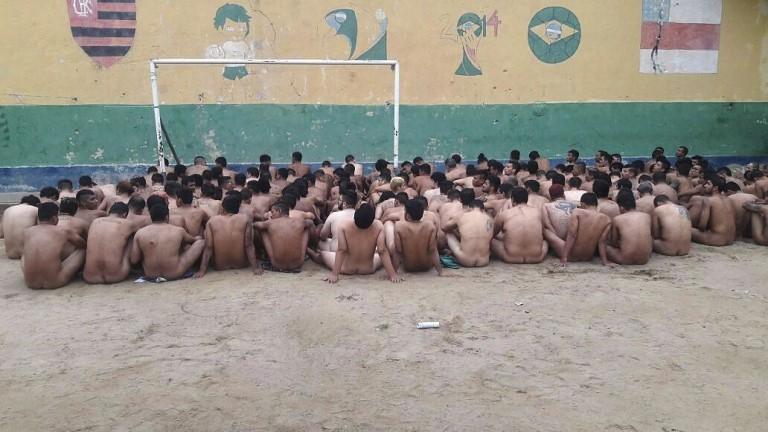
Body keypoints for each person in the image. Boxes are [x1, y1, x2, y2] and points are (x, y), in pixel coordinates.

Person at [318, 204, 400, 283]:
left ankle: (309, 251)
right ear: (372, 219)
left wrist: (334, 274)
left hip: (346, 268)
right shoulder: (378, 226)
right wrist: (392, 274)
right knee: (385, 254)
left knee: (322, 254)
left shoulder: (344, 225)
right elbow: (382, 250)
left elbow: (342, 250)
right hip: (367, 269)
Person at [131, 203, 205, 280]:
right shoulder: (178, 231)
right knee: (200, 243)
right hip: (174, 273)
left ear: (151, 217)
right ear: (167, 217)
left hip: (151, 274)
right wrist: (199, 236)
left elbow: (134, 260)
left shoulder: (140, 233)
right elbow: (193, 240)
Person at [21, 202, 86, 289]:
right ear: (55, 218)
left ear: (38, 218)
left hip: (31, 283)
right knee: (83, 250)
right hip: (55, 282)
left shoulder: (27, 232)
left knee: (24, 254)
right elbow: (82, 244)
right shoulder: (64, 231)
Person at [195, 195, 261, 277]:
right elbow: (248, 245)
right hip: (241, 264)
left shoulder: (212, 221)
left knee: (206, 233)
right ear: (238, 208)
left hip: (219, 266)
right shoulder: (245, 219)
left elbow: (209, 247)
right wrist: (255, 268)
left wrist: (202, 270)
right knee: (251, 232)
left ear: (223, 208)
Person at [83, 203, 140, 284]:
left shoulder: (95, 221)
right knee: (133, 237)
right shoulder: (128, 223)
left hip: (90, 276)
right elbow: (141, 236)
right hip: (117, 275)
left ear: (109, 212)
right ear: (124, 215)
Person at [548, 193, 612, 266]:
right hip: (588, 257)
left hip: (572, 256)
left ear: (582, 204)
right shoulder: (607, 219)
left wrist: (564, 257)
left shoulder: (577, 212)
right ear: (596, 204)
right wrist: (605, 261)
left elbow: (572, 235)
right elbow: (602, 242)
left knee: (547, 232)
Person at [492, 187, 548, 264]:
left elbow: (492, 234)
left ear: (512, 199)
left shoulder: (504, 214)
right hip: (536, 258)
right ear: (527, 199)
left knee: (490, 240)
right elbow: (543, 233)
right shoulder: (537, 212)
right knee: (546, 241)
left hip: (510, 257)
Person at [254, 201, 314, 271]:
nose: (271, 215)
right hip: (298, 264)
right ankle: (305, 253)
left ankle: (268, 256)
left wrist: (266, 220)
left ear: (279, 211)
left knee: (263, 229)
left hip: (276, 264)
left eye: (273, 212)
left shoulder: (270, 223)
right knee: (306, 228)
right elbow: (311, 222)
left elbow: (255, 225)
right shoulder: (299, 221)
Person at [394, 199, 441, 275]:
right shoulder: (430, 226)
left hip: (409, 267)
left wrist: (394, 272)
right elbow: (433, 250)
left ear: (408, 215)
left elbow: (398, 251)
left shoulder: (399, 226)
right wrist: (440, 272)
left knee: (395, 247)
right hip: (426, 266)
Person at [606, 190, 653, 265]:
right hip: (644, 260)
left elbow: (613, 242)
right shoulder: (646, 216)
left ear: (621, 207)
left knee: (606, 247)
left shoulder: (618, 219)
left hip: (625, 260)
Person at [442, 199, 493, 267]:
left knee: (448, 233)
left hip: (466, 260)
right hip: (483, 261)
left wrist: (456, 228)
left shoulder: (461, 216)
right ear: (483, 210)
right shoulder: (490, 219)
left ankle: (457, 252)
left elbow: (444, 228)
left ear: (469, 208)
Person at [688, 175, 736, 246]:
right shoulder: (729, 199)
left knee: (686, 228)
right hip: (731, 239)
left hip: (717, 240)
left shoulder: (708, 200)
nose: (705, 186)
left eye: (708, 184)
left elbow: (702, 226)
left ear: (715, 188)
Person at [542, 184, 577, 251]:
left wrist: (556, 237)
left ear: (550, 196)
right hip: (572, 238)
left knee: (544, 229)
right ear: (563, 194)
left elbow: (547, 223)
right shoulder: (574, 205)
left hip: (557, 237)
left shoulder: (546, 206)